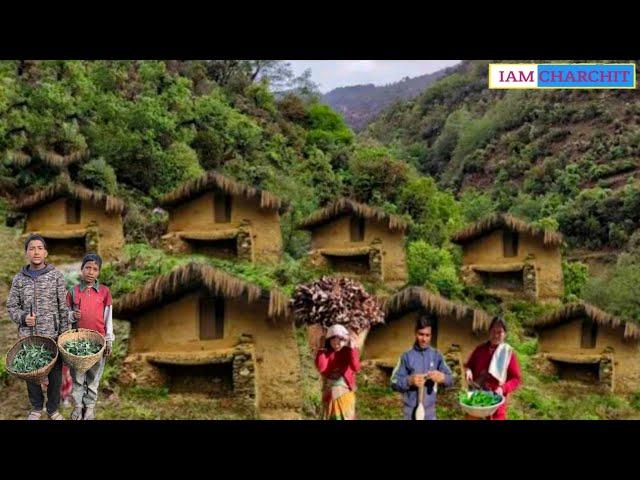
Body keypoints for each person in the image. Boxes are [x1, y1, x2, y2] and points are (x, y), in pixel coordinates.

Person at [6, 234, 70, 420]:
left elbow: (63, 306)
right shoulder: (19, 279)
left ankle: (52, 409)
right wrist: (24, 317)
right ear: (26, 253)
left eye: (40, 248)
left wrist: (64, 334)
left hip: (52, 334)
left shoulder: (56, 276)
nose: (36, 251)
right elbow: (11, 306)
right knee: (31, 371)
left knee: (55, 376)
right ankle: (36, 407)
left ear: (46, 252)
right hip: (29, 335)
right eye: (32, 248)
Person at [66, 253, 114, 420]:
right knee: (78, 378)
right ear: (81, 269)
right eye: (87, 268)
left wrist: (109, 340)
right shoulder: (73, 292)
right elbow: (65, 315)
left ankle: (90, 407)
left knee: (93, 379)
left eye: (95, 269)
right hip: (77, 343)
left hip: (98, 342)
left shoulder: (104, 292)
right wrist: (73, 316)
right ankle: (78, 407)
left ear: (98, 272)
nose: (90, 272)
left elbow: (108, 318)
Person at [390, 313, 453, 420]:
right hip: (409, 413)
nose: (424, 339)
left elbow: (451, 379)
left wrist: (443, 378)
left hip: (430, 413)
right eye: (421, 334)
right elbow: (393, 382)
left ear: (431, 335)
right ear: (415, 333)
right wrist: (409, 380)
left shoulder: (437, 355)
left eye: (427, 335)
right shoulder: (406, 356)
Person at [464, 316, 522, 420]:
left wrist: (502, 388)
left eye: (499, 332)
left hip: (496, 405)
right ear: (489, 331)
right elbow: (469, 365)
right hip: (476, 399)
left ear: (505, 334)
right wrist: (468, 371)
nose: (496, 335)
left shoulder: (507, 353)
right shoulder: (480, 349)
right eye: (493, 331)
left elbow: (516, 379)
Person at [314, 324, 361, 420]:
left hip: (344, 391)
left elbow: (356, 367)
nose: (336, 345)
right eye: (333, 342)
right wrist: (321, 349)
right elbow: (321, 368)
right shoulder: (326, 352)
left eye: (339, 342)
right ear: (329, 341)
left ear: (345, 340)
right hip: (329, 390)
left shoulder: (349, 351)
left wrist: (352, 349)